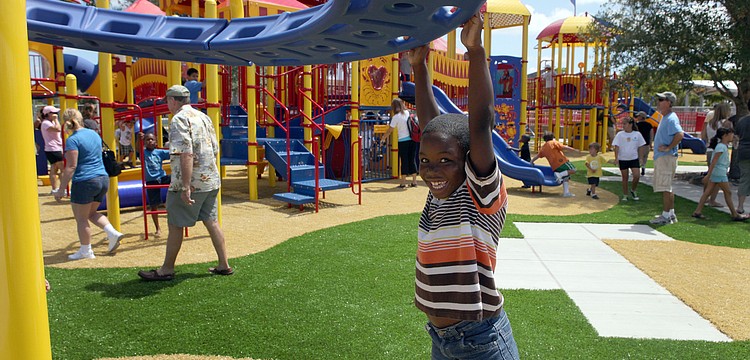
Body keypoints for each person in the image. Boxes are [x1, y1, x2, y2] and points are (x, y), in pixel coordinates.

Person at [409, 13, 519, 360]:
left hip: (480, 339)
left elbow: (481, 123)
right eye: (425, 161)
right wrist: (419, 66)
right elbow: (432, 129)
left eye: (445, 161)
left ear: (469, 159)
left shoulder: (479, 194)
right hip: (442, 338)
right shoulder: (441, 192)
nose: (432, 169)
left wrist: (474, 51)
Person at [138, 85, 232, 281]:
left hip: (190, 182)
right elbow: (214, 147)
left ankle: (166, 269)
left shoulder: (179, 120)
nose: (167, 105)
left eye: (167, 101)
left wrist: (186, 186)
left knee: (175, 224)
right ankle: (224, 264)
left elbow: (186, 153)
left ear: (173, 100)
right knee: (212, 221)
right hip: (211, 180)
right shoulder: (203, 117)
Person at [53, 109, 124, 260]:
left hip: (84, 181)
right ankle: (113, 233)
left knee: (81, 218)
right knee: (91, 213)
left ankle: (86, 250)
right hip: (102, 178)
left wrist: (60, 189)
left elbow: (71, 166)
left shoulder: (73, 140)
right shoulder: (94, 134)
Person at [691, 128, 746, 221]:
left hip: (717, 172)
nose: (732, 136)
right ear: (725, 135)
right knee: (727, 192)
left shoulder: (722, 146)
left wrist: (710, 174)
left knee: (707, 192)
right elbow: (714, 161)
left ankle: (698, 211)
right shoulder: (721, 147)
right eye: (731, 134)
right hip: (719, 173)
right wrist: (708, 175)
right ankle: (734, 214)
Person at [650, 91, 684, 225]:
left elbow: (679, 134)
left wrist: (668, 147)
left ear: (669, 102)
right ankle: (670, 213)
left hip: (666, 157)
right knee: (667, 186)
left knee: (665, 187)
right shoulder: (666, 117)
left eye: (661, 99)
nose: (658, 102)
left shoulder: (670, 118)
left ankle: (665, 216)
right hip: (664, 157)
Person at [381, 98, 418, 188]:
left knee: (404, 160)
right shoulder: (408, 113)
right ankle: (414, 181)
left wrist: (383, 138)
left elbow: (390, 130)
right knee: (412, 159)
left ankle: (403, 182)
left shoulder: (396, 117)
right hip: (413, 139)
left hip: (403, 140)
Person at [141, 132, 170, 237]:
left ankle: (170, 199)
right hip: (151, 180)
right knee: (154, 205)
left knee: (176, 179)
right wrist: (139, 139)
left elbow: (173, 154)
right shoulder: (143, 153)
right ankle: (157, 228)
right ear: (144, 142)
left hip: (161, 177)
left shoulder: (159, 152)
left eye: (152, 139)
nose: (150, 141)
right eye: (147, 140)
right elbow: (138, 148)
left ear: (156, 142)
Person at [531, 131, 577, 197]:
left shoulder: (543, 148)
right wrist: (573, 149)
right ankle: (559, 175)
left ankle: (566, 192)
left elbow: (537, 156)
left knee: (566, 177)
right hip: (562, 162)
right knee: (573, 170)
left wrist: (532, 161)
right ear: (552, 137)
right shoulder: (554, 142)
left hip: (554, 166)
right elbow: (563, 147)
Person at [612, 117, 646, 201]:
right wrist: (616, 158)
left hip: (634, 158)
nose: (623, 126)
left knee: (637, 176)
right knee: (625, 178)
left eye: (625, 124)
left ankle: (633, 190)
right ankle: (625, 194)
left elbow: (641, 146)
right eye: (622, 124)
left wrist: (641, 158)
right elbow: (616, 146)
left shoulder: (637, 134)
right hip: (623, 159)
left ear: (630, 124)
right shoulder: (620, 134)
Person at [40, 105, 64, 194]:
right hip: (53, 148)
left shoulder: (49, 122)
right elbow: (58, 129)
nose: (55, 114)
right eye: (53, 113)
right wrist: (56, 120)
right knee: (62, 169)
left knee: (54, 168)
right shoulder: (46, 123)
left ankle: (55, 189)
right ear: (48, 114)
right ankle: (61, 188)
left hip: (54, 147)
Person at [634, 111, 653, 175]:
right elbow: (651, 134)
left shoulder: (636, 125)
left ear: (641, 117)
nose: (637, 117)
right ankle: (643, 168)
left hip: (638, 144)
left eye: (638, 116)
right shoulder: (649, 125)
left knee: (638, 157)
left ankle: (637, 170)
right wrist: (650, 143)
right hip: (646, 143)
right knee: (645, 157)